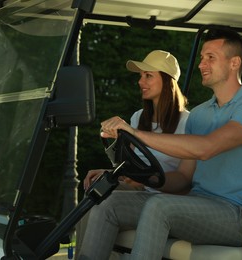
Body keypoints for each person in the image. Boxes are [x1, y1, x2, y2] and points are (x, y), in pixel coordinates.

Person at [77, 28, 242, 260]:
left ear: (234, 63)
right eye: (202, 58)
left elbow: (206, 148)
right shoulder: (200, 115)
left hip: (238, 216)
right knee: (105, 201)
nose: (202, 64)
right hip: (197, 204)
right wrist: (142, 175)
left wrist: (133, 133)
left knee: (160, 206)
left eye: (210, 58)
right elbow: (183, 178)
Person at [75, 50, 189, 257]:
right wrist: (109, 172)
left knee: (103, 201)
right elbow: (132, 166)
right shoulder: (138, 118)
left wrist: (140, 180)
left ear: (167, 80)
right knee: (94, 189)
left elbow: (184, 180)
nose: (140, 81)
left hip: (164, 196)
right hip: (141, 190)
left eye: (148, 75)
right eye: (140, 75)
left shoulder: (187, 122)